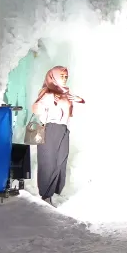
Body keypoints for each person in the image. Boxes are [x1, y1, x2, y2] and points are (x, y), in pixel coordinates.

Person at [32, 66, 84, 206]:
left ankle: (54, 190)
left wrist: (79, 100)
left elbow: (69, 110)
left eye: (66, 76)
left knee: (61, 159)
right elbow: (36, 108)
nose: (64, 78)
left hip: (63, 129)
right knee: (48, 162)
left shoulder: (66, 93)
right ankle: (46, 195)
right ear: (53, 76)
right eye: (61, 75)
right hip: (50, 128)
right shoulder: (47, 93)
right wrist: (49, 101)